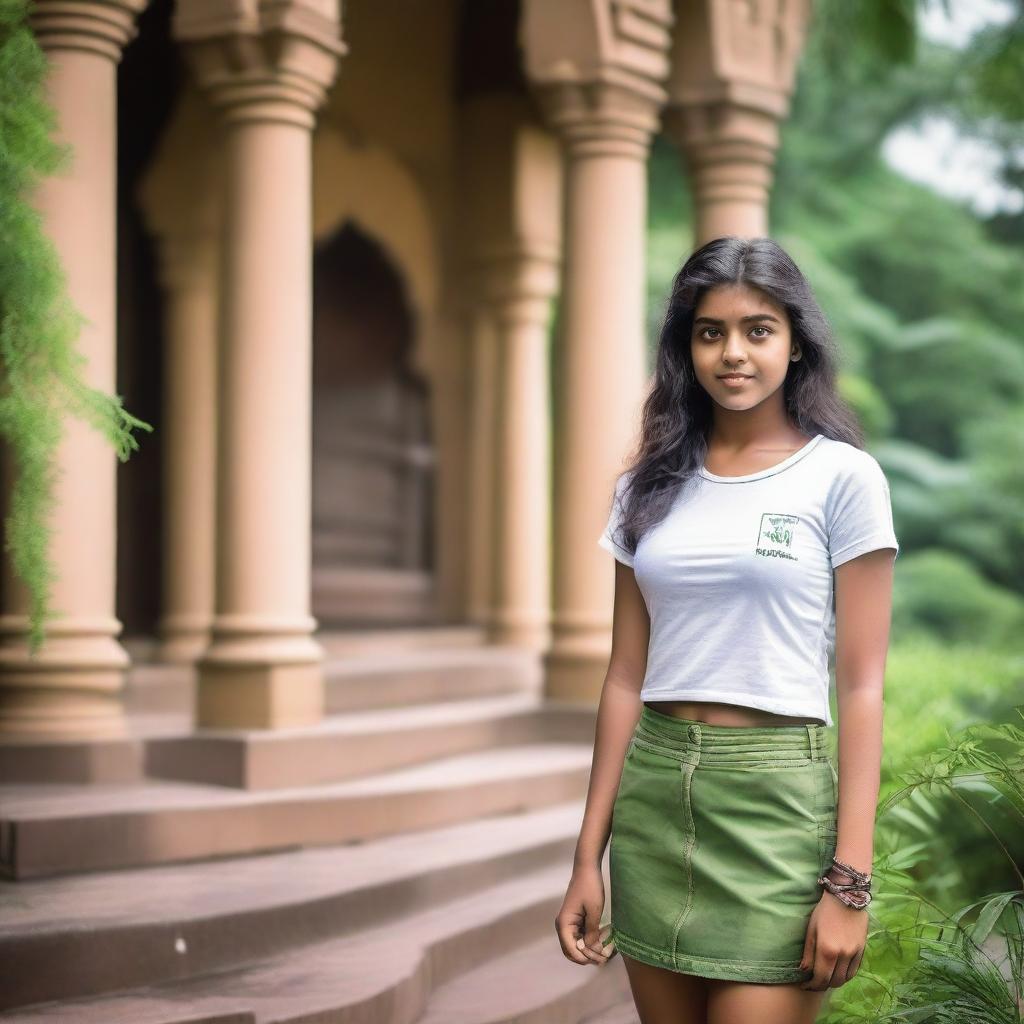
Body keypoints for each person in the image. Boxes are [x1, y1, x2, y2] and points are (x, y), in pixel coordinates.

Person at [554, 235, 899, 1024]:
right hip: (655, 805)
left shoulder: (841, 478)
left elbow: (863, 684)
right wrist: (586, 857)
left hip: (775, 808)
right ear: (685, 347)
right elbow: (622, 678)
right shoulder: (648, 486)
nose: (732, 353)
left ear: (796, 343)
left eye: (757, 330)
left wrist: (849, 880)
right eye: (709, 332)